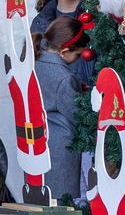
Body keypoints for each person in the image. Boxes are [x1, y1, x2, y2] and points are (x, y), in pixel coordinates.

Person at [34, 15, 91, 204]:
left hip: (39, 144)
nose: (75, 60)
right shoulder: (64, 78)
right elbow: (79, 117)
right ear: (65, 50)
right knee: (66, 208)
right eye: (76, 55)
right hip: (62, 153)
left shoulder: (35, 61)